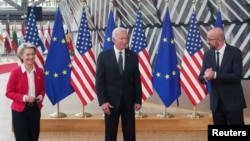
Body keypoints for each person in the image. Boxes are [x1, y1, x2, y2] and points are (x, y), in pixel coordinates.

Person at [96, 27, 142, 141]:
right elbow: (99, 82)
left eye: (126, 38)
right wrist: (103, 101)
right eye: (121, 38)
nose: (124, 41)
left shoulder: (133, 56)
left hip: (129, 101)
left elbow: (136, 79)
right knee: (110, 133)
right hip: (110, 103)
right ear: (113, 39)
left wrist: (138, 100)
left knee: (130, 133)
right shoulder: (103, 56)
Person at [199, 27, 247, 125]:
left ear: (219, 40)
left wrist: (215, 75)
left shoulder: (235, 52)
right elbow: (201, 77)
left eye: (210, 39)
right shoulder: (208, 55)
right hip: (216, 104)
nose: (207, 42)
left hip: (233, 102)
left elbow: (237, 76)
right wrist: (205, 77)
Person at [6, 43, 45, 141]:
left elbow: (43, 88)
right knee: (22, 138)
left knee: (34, 137)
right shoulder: (15, 72)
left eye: (33, 54)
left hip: (35, 109)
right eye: (27, 54)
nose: (31, 57)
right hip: (19, 111)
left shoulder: (40, 71)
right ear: (21, 56)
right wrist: (24, 98)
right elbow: (9, 92)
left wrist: (41, 95)